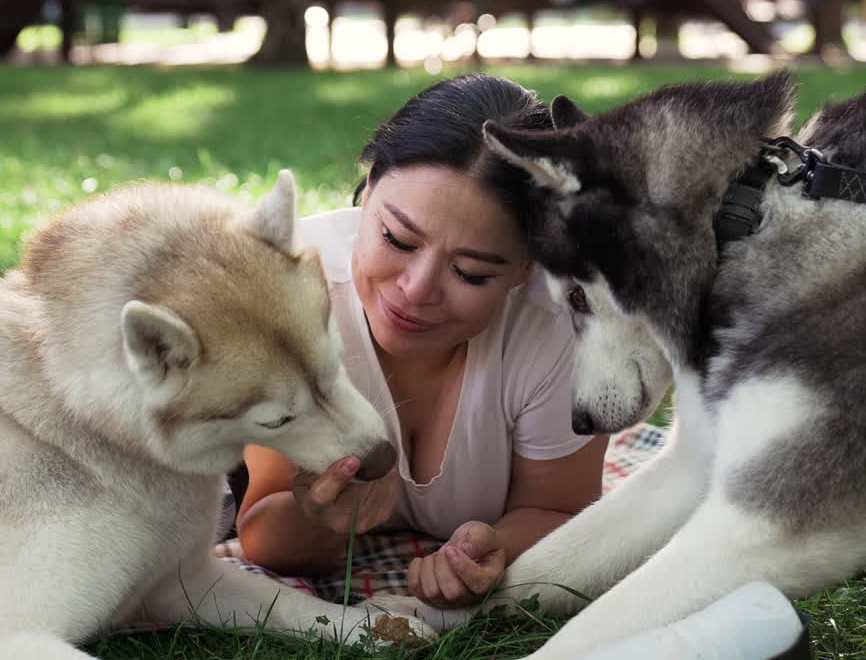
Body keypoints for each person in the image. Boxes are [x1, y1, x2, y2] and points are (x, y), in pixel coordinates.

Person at [235, 73, 607, 609]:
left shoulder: (561, 329)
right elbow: (262, 534)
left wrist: (492, 551)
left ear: (527, 267)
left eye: (471, 272)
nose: (416, 290)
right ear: (370, 185)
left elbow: (563, 514)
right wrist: (318, 518)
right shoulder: (286, 292)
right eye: (397, 239)